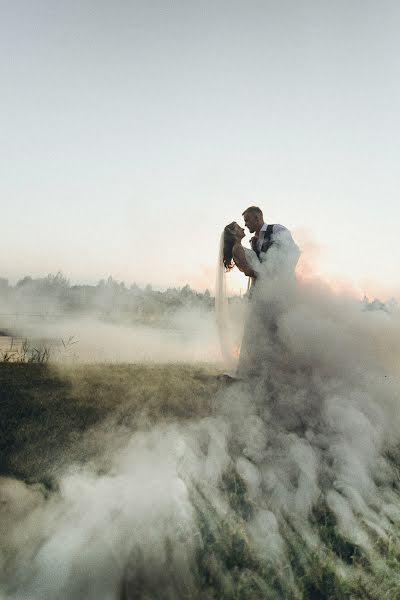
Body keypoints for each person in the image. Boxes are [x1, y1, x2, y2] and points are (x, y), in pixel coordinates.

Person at [216, 209, 300, 379]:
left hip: (280, 289)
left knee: (280, 329)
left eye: (247, 220)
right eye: (242, 223)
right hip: (263, 292)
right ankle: (261, 372)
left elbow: (294, 254)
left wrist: (280, 278)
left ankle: (281, 370)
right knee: (263, 331)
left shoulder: (277, 230)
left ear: (257, 217)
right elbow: (250, 269)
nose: (245, 226)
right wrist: (264, 275)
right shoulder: (251, 243)